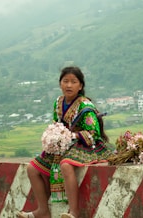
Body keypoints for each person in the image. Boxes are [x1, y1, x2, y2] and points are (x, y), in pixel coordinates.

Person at [17, 66, 112, 218]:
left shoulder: (85, 106)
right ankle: (43, 210)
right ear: (60, 83)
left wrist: (71, 136)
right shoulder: (58, 102)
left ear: (80, 86)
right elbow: (57, 124)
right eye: (65, 81)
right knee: (32, 168)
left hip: (86, 145)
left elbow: (94, 133)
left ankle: (74, 212)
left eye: (73, 82)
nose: (68, 85)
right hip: (64, 144)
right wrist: (54, 137)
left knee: (66, 165)